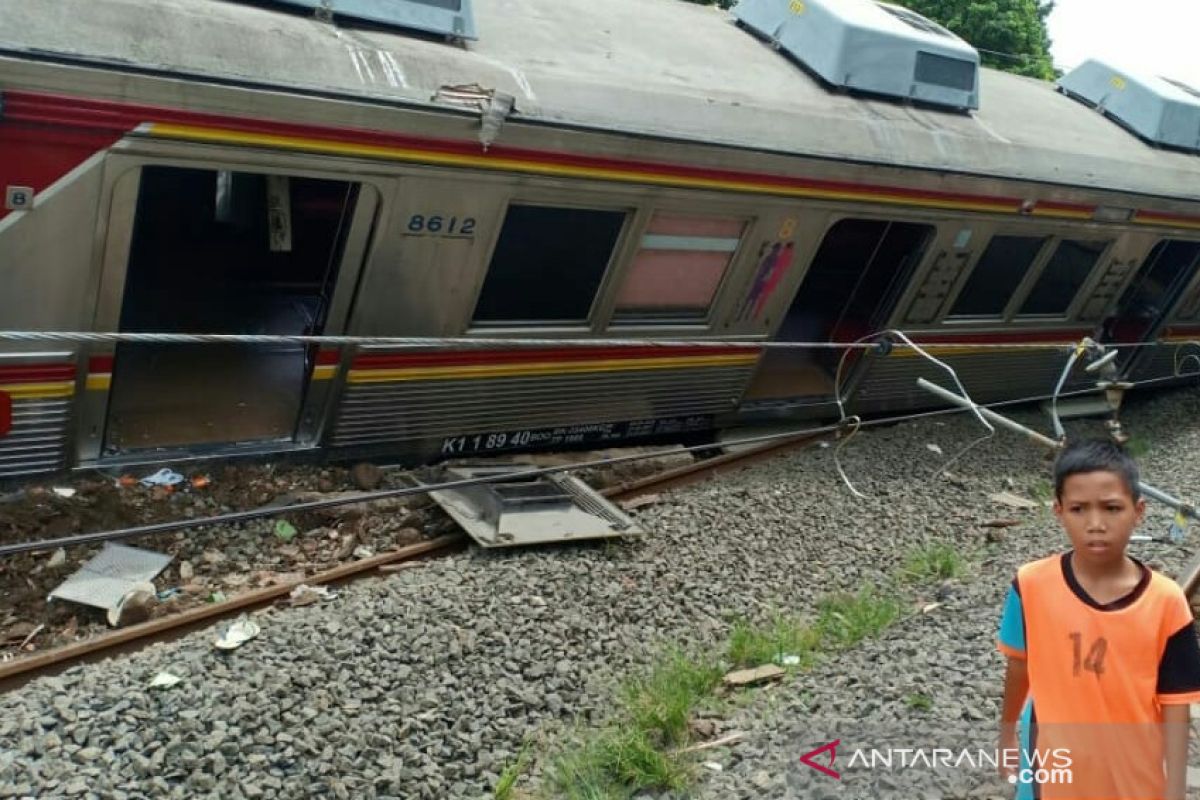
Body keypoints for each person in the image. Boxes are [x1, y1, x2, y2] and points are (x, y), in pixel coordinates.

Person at [996, 439, 1200, 799]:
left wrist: (1175, 791)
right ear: (1058, 511)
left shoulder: (1166, 603)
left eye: (1111, 508)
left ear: (1139, 511)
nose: (1095, 524)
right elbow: (1019, 668)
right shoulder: (1030, 586)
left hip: (1134, 781)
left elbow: (1176, 706)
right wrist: (1008, 733)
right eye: (1078, 509)